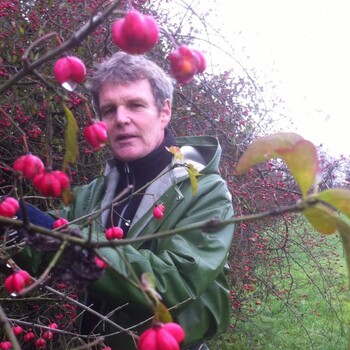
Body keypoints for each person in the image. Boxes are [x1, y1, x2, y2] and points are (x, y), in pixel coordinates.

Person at [20, 52, 234, 350]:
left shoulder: (206, 191)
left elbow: (177, 283)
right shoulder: (94, 193)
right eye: (109, 110)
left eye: (135, 105)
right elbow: (42, 242)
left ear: (164, 111)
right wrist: (17, 223)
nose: (121, 118)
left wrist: (69, 245)